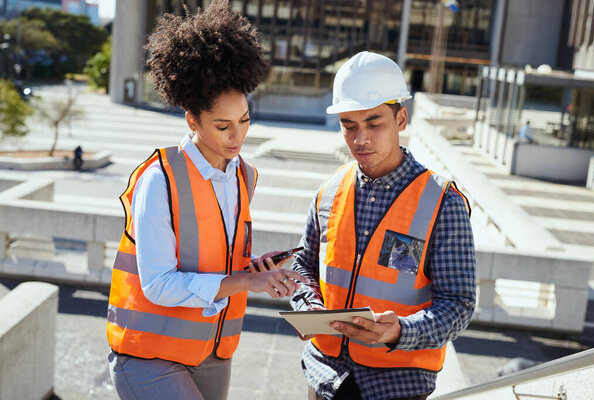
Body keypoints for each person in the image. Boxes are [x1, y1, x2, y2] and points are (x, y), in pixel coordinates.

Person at [106, 2, 308, 399]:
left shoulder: (245, 175)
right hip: (149, 353)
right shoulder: (159, 179)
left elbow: (214, 263)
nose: (237, 137)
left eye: (245, 120)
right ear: (192, 120)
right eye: (222, 126)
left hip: (215, 352)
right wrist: (250, 281)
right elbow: (159, 284)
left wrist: (258, 270)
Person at [290, 51, 477, 400]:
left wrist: (399, 332)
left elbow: (459, 304)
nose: (360, 139)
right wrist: (307, 306)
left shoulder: (443, 202)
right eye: (349, 125)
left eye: (374, 124)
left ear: (401, 118)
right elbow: (304, 264)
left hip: (397, 386)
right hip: (325, 376)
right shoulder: (329, 191)